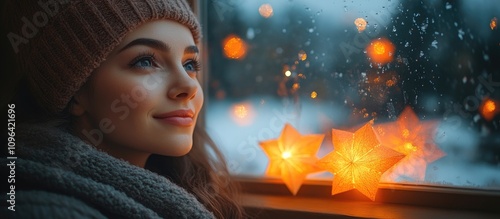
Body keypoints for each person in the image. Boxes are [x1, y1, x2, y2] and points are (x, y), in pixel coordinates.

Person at [1, 0, 245, 218]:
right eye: (145, 62)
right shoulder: (43, 210)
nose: (188, 86)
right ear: (74, 93)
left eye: (190, 64)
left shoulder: (185, 186)